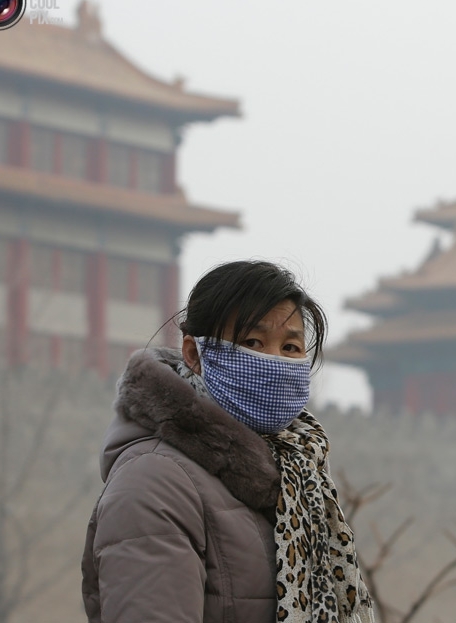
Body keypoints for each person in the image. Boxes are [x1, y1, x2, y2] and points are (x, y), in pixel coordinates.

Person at [82, 260, 376, 623]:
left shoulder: (297, 479)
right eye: (253, 342)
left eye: (290, 347)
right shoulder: (155, 483)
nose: (274, 361)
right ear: (194, 355)